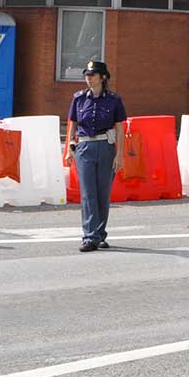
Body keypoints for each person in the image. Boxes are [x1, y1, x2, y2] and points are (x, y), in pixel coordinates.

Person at [66, 59, 126, 253]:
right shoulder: (79, 98)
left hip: (106, 147)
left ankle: (100, 235)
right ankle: (90, 236)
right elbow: (73, 123)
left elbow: (119, 128)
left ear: (103, 78)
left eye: (92, 75)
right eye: (87, 75)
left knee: (102, 193)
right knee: (88, 194)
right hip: (84, 147)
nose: (88, 78)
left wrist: (120, 154)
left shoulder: (114, 100)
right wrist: (69, 149)